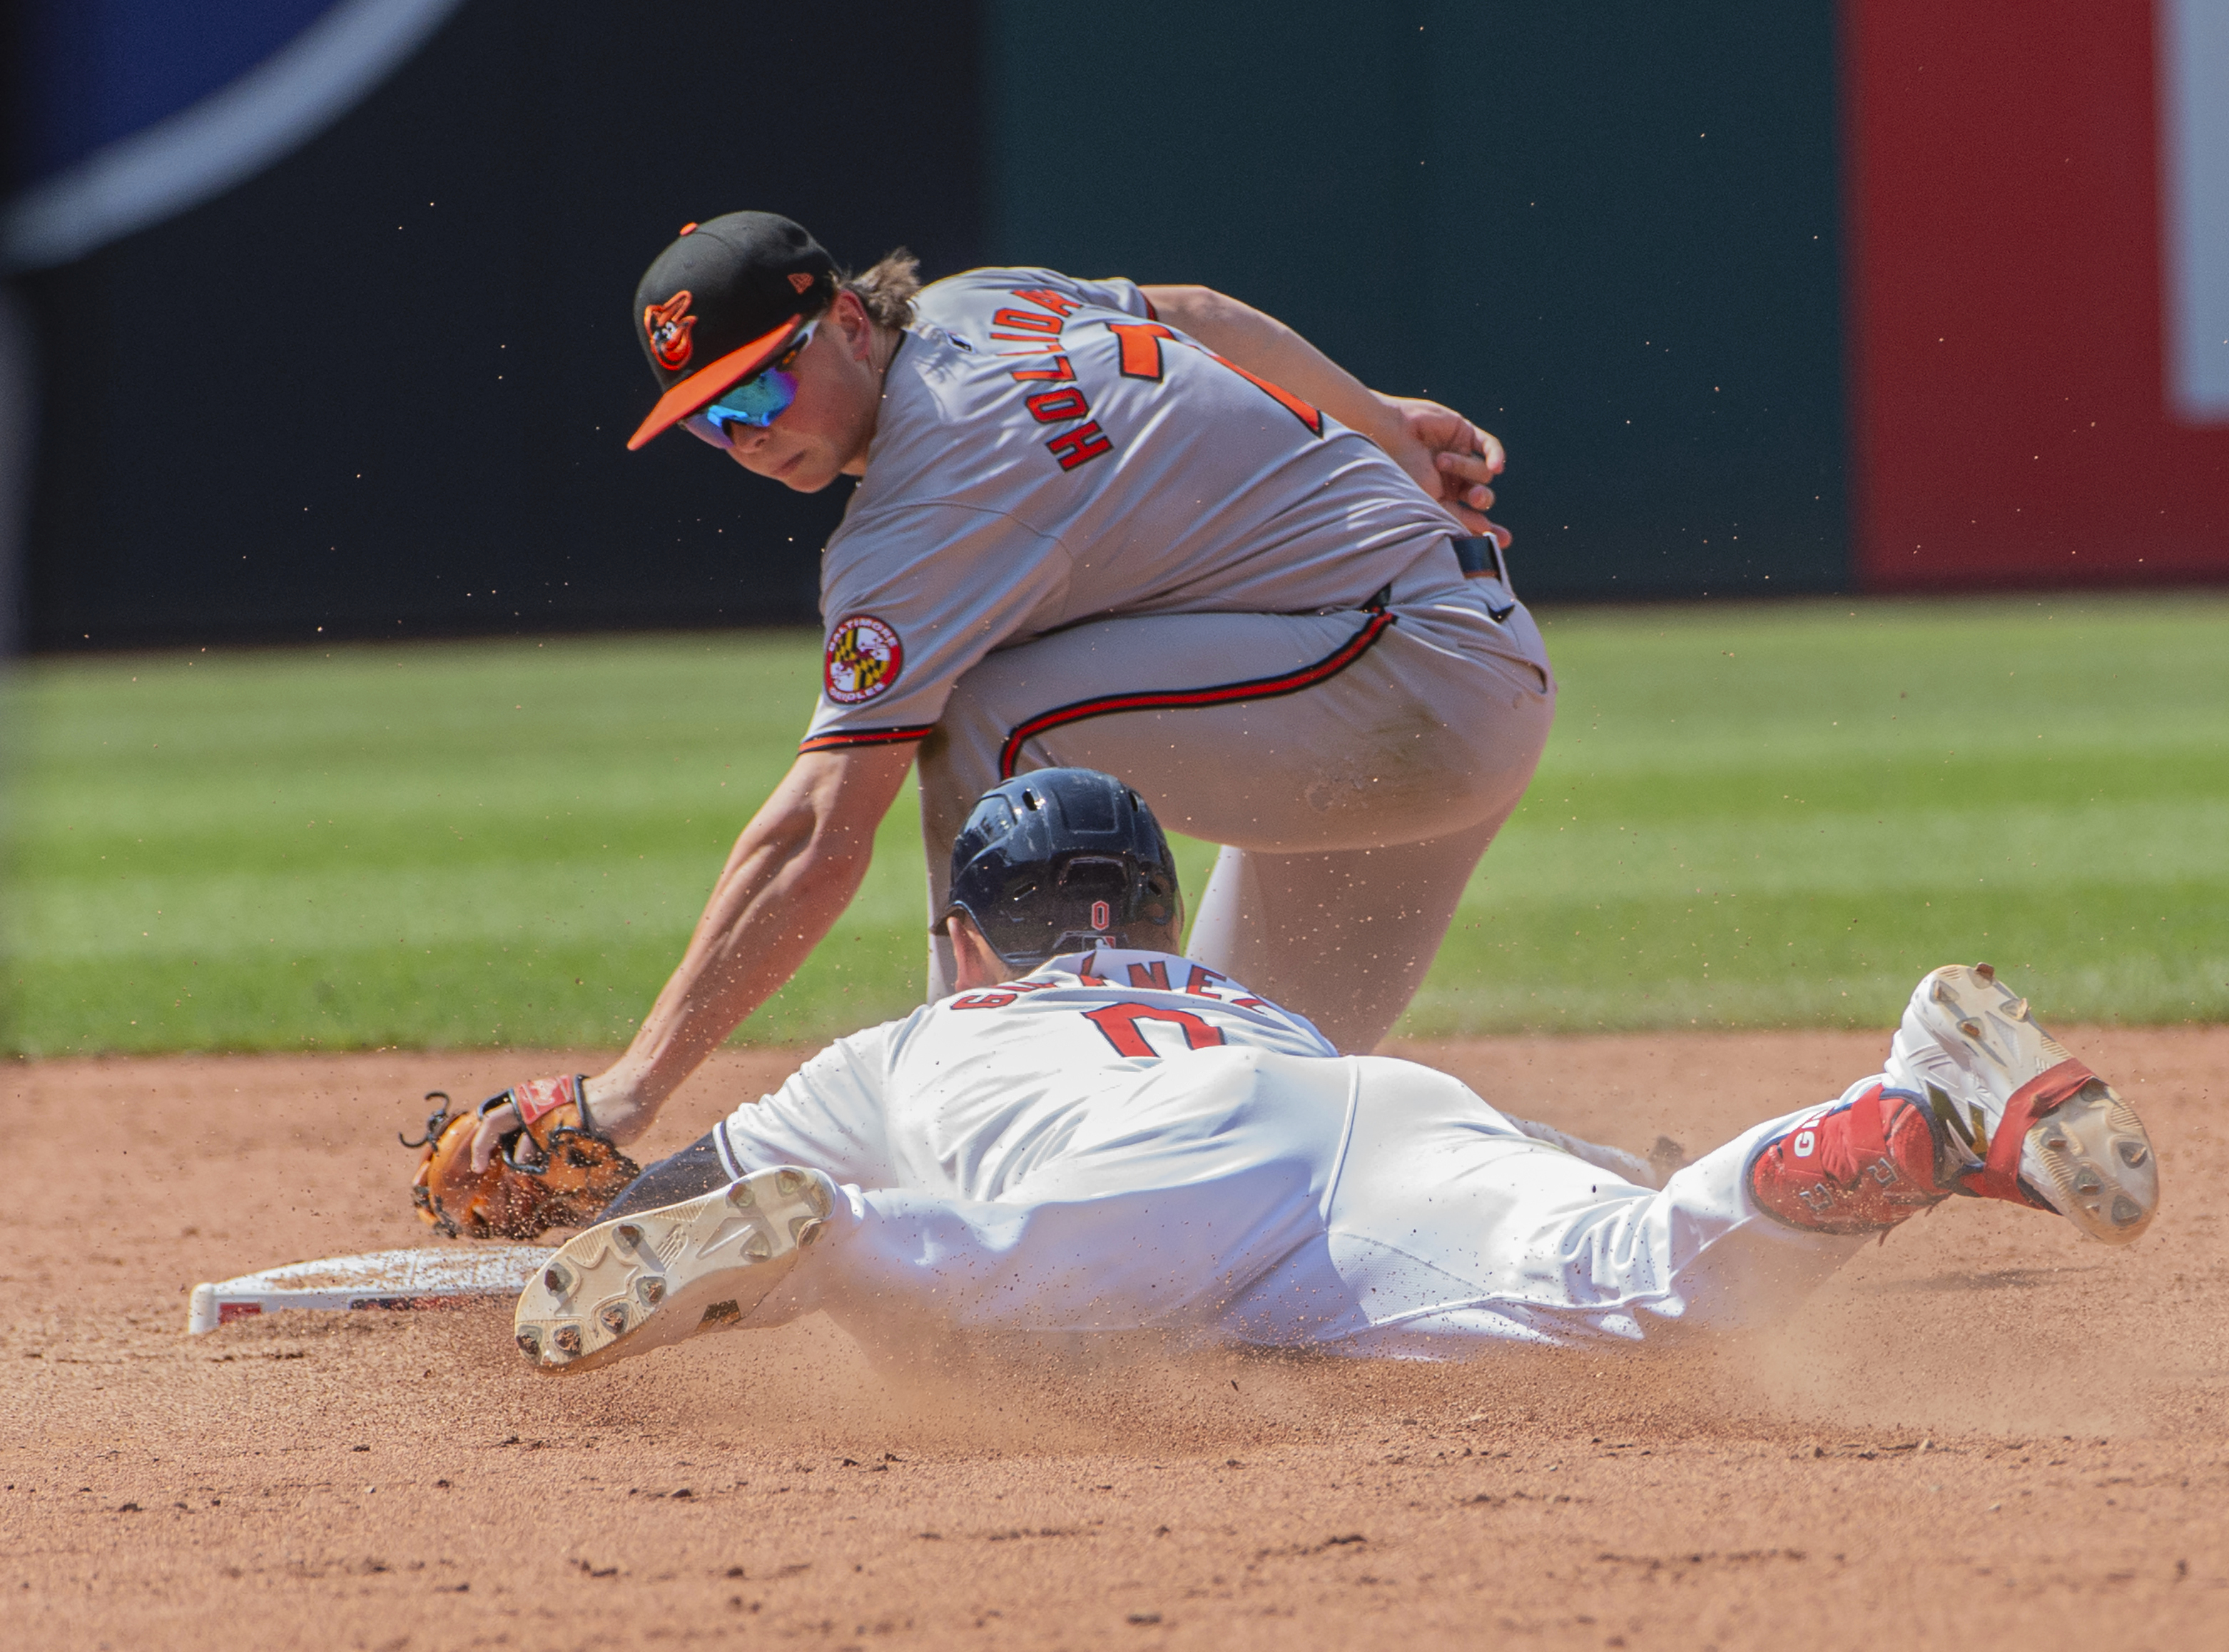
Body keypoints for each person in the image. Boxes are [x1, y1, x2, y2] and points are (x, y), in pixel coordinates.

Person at [470, 212, 1551, 1176]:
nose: (747, 434)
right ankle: (1600, 1192)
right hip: (1417, 685)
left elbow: (814, 839)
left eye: (763, 383)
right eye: (711, 420)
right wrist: (1378, 425)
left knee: (990, 710)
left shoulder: (922, 508)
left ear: (848, 320)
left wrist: (632, 1087)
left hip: (1405, 676)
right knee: (1243, 1117)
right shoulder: (980, 299)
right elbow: (1197, 313)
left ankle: (973, 1094)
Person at [512, 770, 2160, 1374]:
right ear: (1151, 909)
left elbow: (681, 1188)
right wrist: (1610, 1158)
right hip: (1386, 1103)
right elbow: (1495, 1132)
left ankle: (844, 1243)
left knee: (963, 1306)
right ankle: (1905, 1116)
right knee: (1652, 1275)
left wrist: (575, 1220)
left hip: (1154, 1186)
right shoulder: (1244, 1001)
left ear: (967, 939)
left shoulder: (922, 1036)